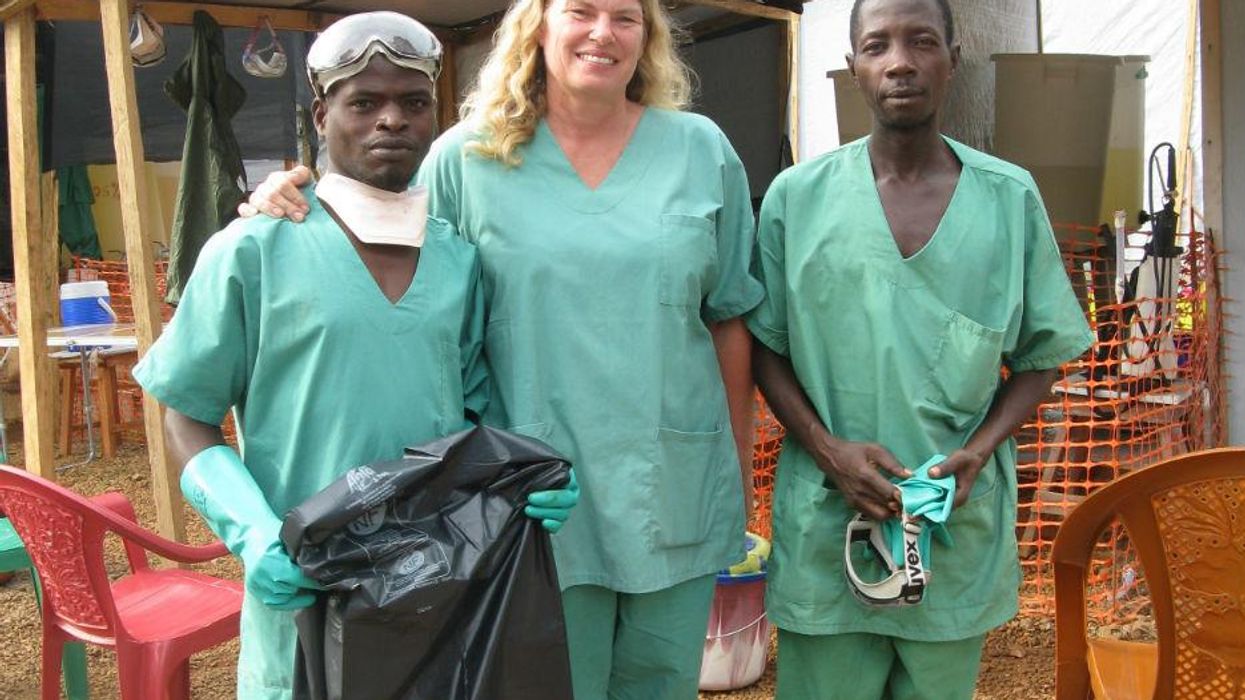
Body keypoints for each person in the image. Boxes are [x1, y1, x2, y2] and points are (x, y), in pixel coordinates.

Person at [243, 1, 764, 697]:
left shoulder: (699, 148)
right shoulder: (468, 157)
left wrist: (732, 456)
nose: (602, 32)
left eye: (625, 17)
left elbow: (728, 312)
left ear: (649, 38)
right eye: (580, 10)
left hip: (673, 486)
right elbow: (379, 230)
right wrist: (292, 187)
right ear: (537, 26)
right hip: (526, 501)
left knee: (660, 685)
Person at [132, 14, 578, 699]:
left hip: (432, 591)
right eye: (364, 103)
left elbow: (471, 422)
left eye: (413, 102)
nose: (391, 120)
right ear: (321, 114)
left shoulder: (456, 262)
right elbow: (186, 415)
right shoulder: (252, 251)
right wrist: (252, 534)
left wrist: (526, 484)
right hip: (305, 592)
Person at [746, 0, 1094, 697]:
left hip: (951, 525)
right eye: (876, 45)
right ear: (853, 68)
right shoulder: (797, 199)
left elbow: (1039, 358)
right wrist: (827, 450)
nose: (899, 61)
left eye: (921, 42)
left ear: (951, 61)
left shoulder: (1005, 198)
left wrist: (978, 449)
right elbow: (764, 347)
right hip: (828, 523)